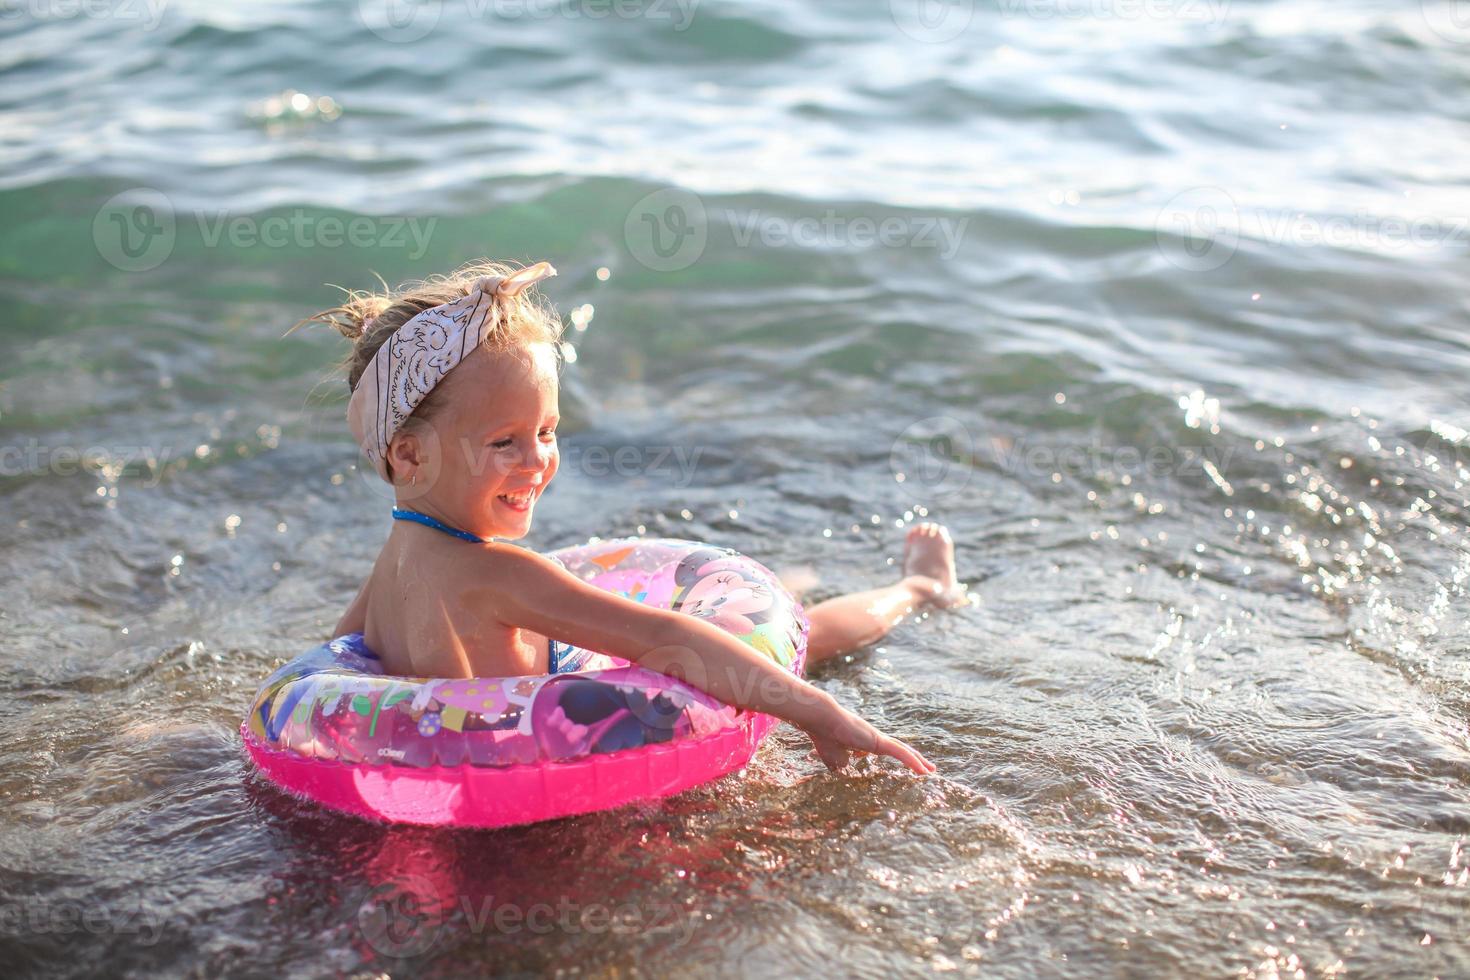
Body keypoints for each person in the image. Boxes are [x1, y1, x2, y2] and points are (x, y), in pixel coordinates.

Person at [300, 260, 966, 774]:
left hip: (500, 749)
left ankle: (903, 589)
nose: (537, 460)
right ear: (409, 454)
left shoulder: (392, 566)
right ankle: (917, 588)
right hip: (539, 750)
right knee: (804, 633)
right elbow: (670, 642)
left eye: (549, 431)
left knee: (783, 621)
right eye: (505, 441)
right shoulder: (492, 573)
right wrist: (817, 710)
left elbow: (329, 675)